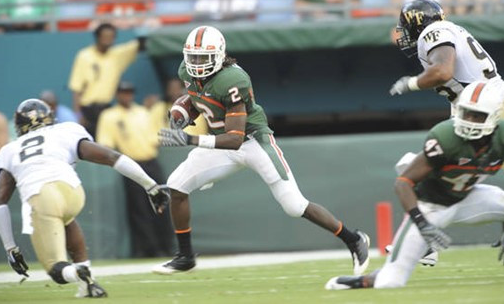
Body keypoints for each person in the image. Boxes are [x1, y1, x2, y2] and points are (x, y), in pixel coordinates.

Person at [151, 25, 370, 275]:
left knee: (294, 205)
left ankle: (353, 239)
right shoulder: (186, 72)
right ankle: (185, 256)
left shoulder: (234, 80)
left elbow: (234, 138)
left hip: (253, 142)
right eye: (193, 57)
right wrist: (182, 112)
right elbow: (197, 97)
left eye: (204, 58)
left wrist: (189, 140)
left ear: (220, 55)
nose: (197, 64)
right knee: (177, 185)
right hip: (219, 143)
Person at [325, 81, 504, 291]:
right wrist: (422, 223)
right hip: (430, 206)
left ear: (495, 117)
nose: (469, 119)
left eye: (477, 115)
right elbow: (403, 183)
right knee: (391, 281)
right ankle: (361, 281)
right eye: (466, 112)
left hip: (468, 196)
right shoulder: (445, 136)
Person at [0, 99, 169, 298]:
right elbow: (112, 157)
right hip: (73, 190)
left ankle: (77, 273)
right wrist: (151, 185)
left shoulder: (10, 150)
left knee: (56, 269)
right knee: (67, 220)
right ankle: (88, 285)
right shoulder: (67, 130)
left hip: (41, 195)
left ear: (19, 126)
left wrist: (10, 247)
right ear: (49, 117)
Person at [389, 0, 504, 205]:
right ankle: (421, 184)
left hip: (495, 107)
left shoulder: (433, 31)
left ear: (417, 22)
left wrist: (411, 83)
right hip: (471, 110)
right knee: (455, 176)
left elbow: (443, 71)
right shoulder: (447, 30)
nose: (406, 33)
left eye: (407, 26)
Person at [96, 82, 174, 258]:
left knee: (162, 203)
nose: (127, 95)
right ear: (117, 94)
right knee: (140, 209)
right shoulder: (109, 115)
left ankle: (166, 246)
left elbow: (156, 136)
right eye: (123, 92)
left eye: (130, 92)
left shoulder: (143, 112)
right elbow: (105, 143)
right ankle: (147, 248)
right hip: (131, 164)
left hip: (151, 161)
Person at [68, 22, 143, 137]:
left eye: (111, 37)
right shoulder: (84, 55)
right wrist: (78, 114)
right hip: (87, 109)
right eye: (105, 37)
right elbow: (76, 88)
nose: (108, 40)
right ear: (98, 37)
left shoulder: (117, 55)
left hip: (106, 108)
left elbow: (138, 45)